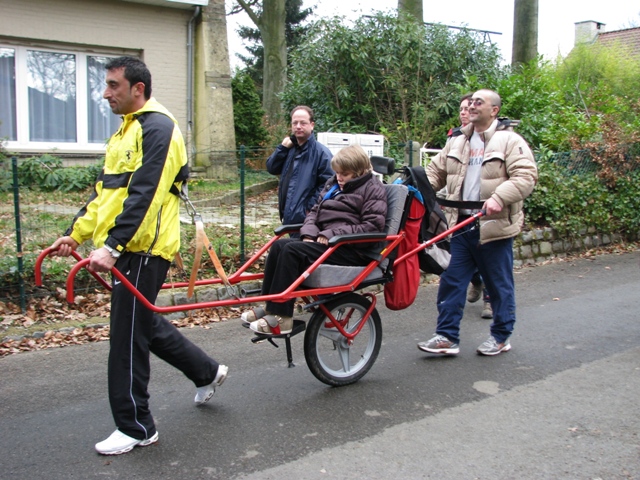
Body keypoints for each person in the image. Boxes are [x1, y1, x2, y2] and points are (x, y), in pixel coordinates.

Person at [49, 57, 228, 456]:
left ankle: (136, 427)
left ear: (138, 90)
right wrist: (74, 235)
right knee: (140, 323)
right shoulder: (126, 131)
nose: (105, 93)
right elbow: (106, 194)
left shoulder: (158, 127)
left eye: (113, 85)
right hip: (127, 246)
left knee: (127, 337)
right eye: (107, 85)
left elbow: (144, 194)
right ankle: (207, 371)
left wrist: (112, 247)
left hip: (144, 247)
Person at [417, 89, 537, 356]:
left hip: (492, 226)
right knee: (451, 280)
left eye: (478, 102)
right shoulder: (457, 141)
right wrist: (415, 189)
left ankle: (501, 336)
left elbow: (526, 176)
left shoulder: (510, 141)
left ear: (494, 110)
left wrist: (499, 197)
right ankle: (447, 337)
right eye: (470, 102)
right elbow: (434, 172)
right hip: (460, 224)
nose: (471, 106)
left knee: (498, 284)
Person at [242, 145, 387, 334]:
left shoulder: (373, 189)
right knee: (279, 246)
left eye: (345, 174)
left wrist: (330, 235)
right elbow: (314, 213)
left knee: (291, 250)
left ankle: (283, 318)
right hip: (327, 244)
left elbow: (372, 227)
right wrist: (308, 234)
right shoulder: (333, 184)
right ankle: (270, 306)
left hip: (351, 249)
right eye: (337, 173)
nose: (339, 178)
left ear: (359, 172)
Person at [451, 94, 493, 320]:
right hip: (460, 215)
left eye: (468, 108)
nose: (464, 112)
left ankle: (491, 302)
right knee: (456, 269)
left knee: (488, 262)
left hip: (487, 216)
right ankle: (475, 282)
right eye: (461, 109)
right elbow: (445, 172)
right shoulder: (456, 138)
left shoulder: (498, 137)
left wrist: (499, 198)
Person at [266, 106, 334, 228]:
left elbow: (329, 185)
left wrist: (308, 210)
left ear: (312, 125)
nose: (298, 126)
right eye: (295, 123)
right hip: (289, 217)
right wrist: (282, 148)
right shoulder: (289, 149)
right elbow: (272, 168)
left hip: (308, 221)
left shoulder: (322, 153)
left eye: (303, 123)